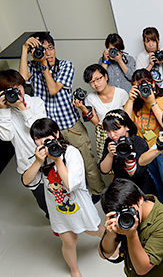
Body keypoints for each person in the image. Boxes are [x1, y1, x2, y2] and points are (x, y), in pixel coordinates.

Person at [18, 31, 106, 199]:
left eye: (50, 48)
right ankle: (69, 192)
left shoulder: (65, 66)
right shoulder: (34, 67)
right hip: (50, 129)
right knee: (57, 162)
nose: (47, 53)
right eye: (42, 49)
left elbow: (53, 89)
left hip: (70, 125)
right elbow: (22, 79)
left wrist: (44, 64)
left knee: (86, 159)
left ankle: (98, 191)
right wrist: (24, 48)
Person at [23, 118, 104, 277]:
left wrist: (57, 159)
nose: (41, 141)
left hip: (79, 205)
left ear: (56, 134)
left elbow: (70, 184)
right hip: (58, 210)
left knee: (94, 230)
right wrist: (38, 162)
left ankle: (114, 241)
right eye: (37, 138)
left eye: (46, 136)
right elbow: (27, 181)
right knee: (69, 241)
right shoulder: (40, 157)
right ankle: (74, 270)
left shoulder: (71, 152)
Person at [99, 178, 163, 277]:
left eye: (128, 210)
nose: (124, 217)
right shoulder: (120, 218)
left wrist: (131, 235)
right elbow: (104, 254)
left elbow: (142, 269)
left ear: (140, 200)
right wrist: (110, 235)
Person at [0, 69, 48, 216]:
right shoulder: (4, 112)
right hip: (27, 163)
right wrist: (3, 110)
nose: (15, 92)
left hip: (47, 157)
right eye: (9, 90)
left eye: (17, 87)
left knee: (58, 191)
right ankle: (51, 218)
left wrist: (22, 108)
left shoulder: (35, 102)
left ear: (23, 85)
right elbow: (6, 136)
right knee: (41, 198)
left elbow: (41, 130)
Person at [73, 64, 128, 161]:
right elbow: (95, 122)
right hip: (103, 135)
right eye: (91, 82)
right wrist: (83, 108)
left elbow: (129, 116)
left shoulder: (121, 93)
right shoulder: (90, 98)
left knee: (127, 161)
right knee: (109, 165)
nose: (96, 84)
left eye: (98, 79)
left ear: (106, 77)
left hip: (122, 134)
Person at [99, 109, 157, 196]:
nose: (112, 135)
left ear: (127, 127)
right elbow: (104, 170)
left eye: (115, 130)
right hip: (121, 186)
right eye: (108, 131)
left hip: (142, 187)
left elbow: (135, 175)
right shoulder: (109, 142)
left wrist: (128, 155)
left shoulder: (138, 142)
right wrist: (110, 155)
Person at [124, 69, 163, 148]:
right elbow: (125, 125)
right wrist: (130, 100)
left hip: (160, 149)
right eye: (138, 87)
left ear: (153, 84)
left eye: (144, 85)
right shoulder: (133, 103)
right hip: (140, 149)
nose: (143, 89)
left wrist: (152, 102)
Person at [136, 27, 163, 103]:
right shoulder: (141, 56)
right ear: (144, 42)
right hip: (151, 91)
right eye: (147, 41)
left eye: (153, 41)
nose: (151, 45)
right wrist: (150, 64)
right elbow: (138, 79)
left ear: (158, 40)